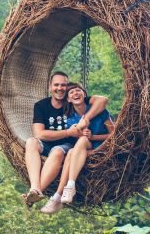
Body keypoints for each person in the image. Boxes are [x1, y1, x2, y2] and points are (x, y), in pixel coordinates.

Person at [23, 72, 108, 209]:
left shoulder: (73, 100)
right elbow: (39, 133)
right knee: (31, 142)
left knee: (57, 151)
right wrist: (68, 132)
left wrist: (84, 120)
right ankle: (34, 188)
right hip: (46, 144)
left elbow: (102, 100)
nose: (60, 88)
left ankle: (37, 192)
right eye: (56, 85)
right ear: (50, 87)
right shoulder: (41, 105)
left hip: (67, 145)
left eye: (63, 85)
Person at [40, 82, 115, 214]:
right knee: (73, 150)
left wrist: (93, 137)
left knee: (79, 144)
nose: (75, 93)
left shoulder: (100, 111)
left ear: (84, 94)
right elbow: (76, 137)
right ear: (68, 100)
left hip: (104, 148)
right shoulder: (70, 120)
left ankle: (65, 189)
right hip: (85, 150)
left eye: (78, 90)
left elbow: (115, 135)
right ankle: (60, 194)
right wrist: (82, 132)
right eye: (71, 92)